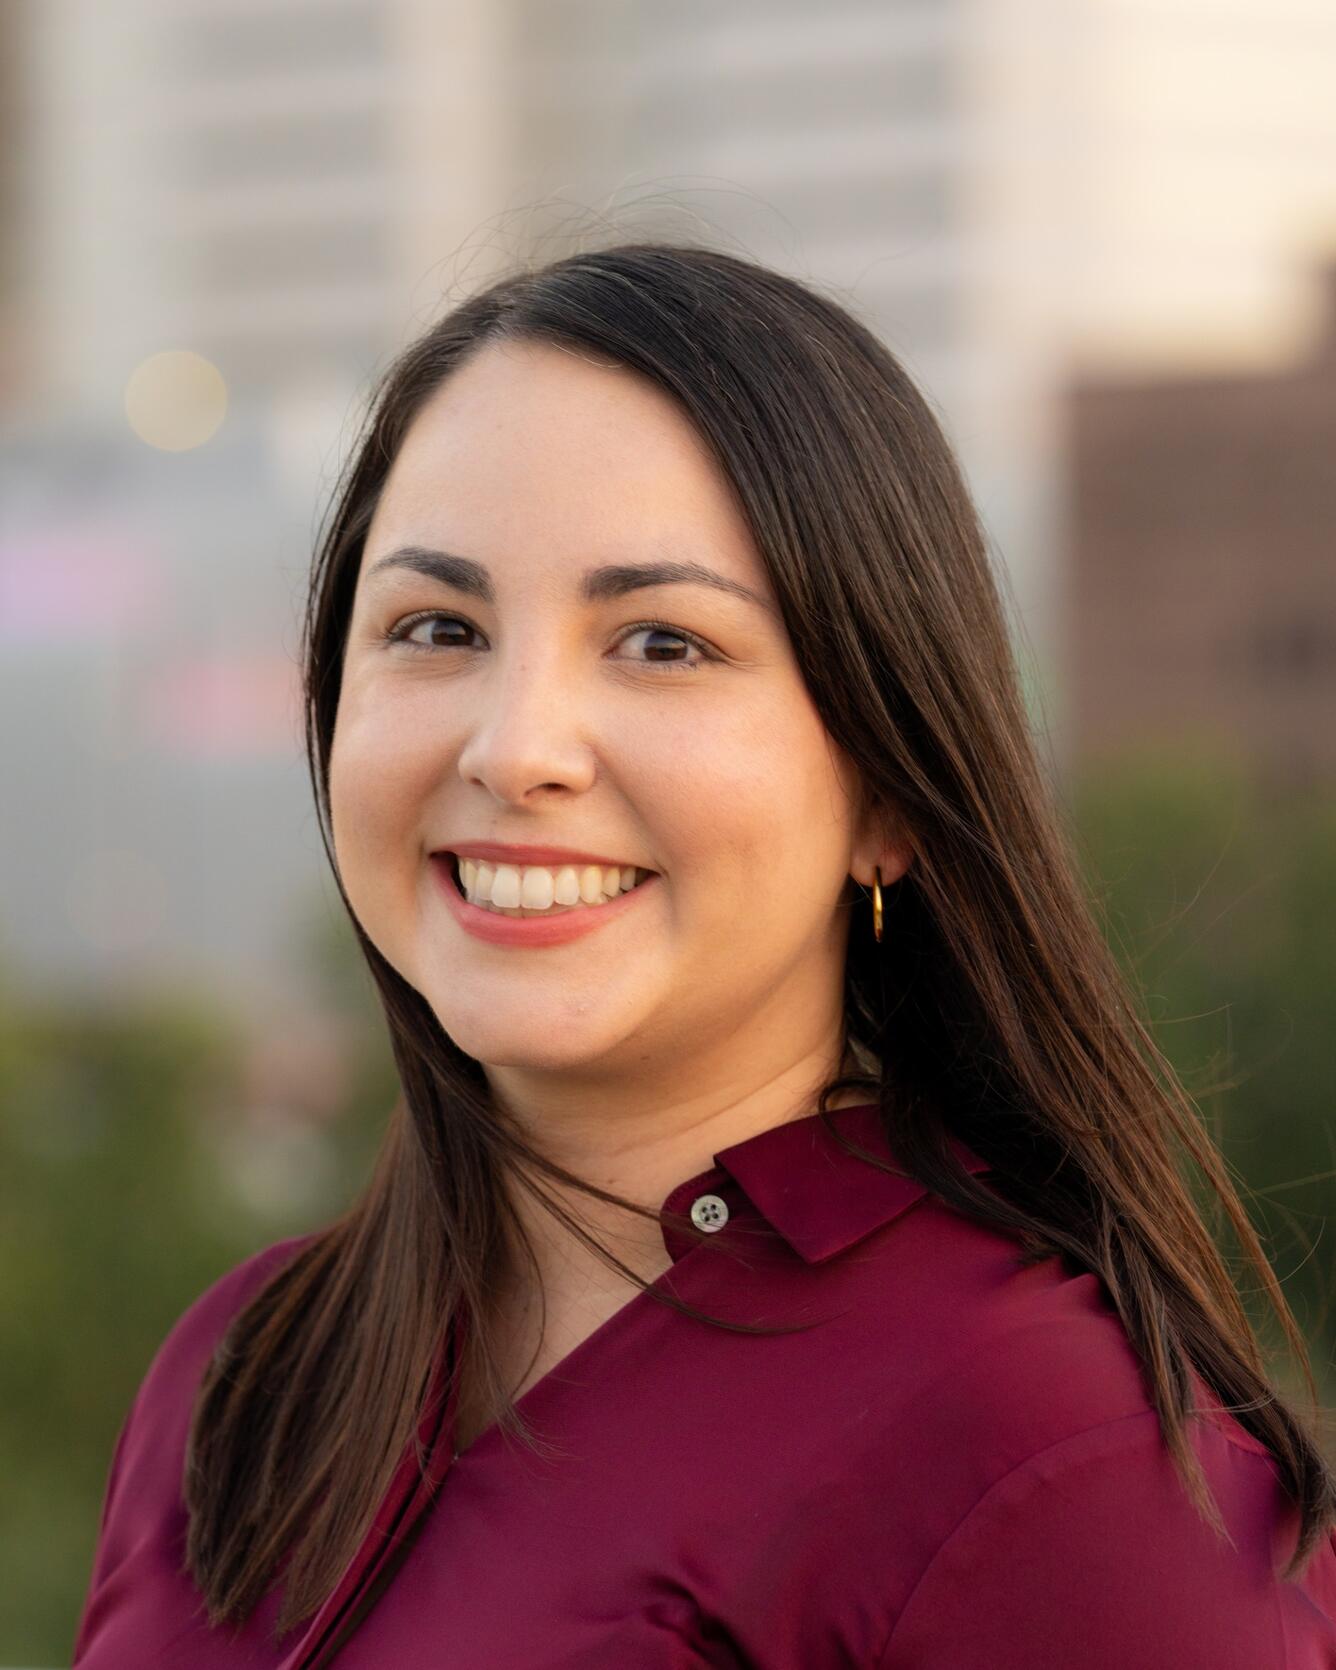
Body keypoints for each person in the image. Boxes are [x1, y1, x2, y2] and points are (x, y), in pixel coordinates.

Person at [72, 241, 1336, 1668]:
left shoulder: (1056, 1461)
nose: (518, 748)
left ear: (888, 794)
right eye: (438, 627)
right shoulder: (241, 1371)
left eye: (663, 643)